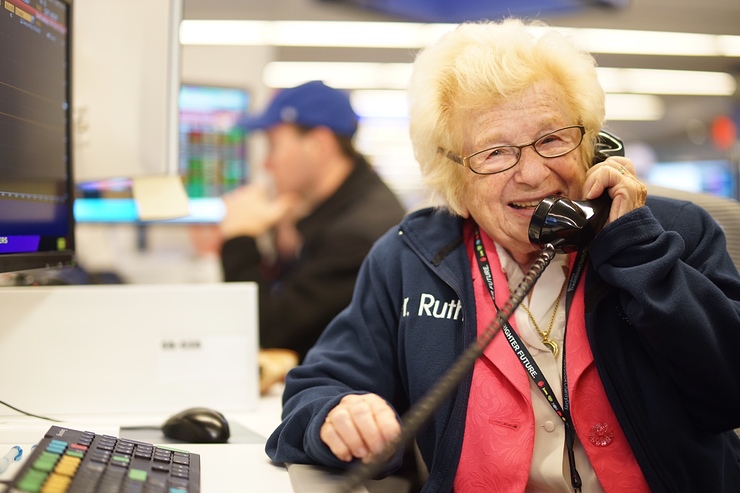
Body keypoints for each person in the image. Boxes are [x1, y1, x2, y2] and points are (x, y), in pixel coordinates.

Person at [265, 19, 740, 492]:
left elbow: (728, 392)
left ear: (593, 144)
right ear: (453, 177)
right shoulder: (410, 258)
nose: (532, 173)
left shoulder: (673, 232)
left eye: (552, 138)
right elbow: (318, 387)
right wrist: (335, 417)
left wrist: (638, 254)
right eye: (494, 153)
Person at [219, 80, 406, 367]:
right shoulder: (348, 206)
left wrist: (239, 240)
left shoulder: (356, 235)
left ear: (317, 145)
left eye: (274, 146)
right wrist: (284, 239)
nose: (266, 164)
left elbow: (271, 331)